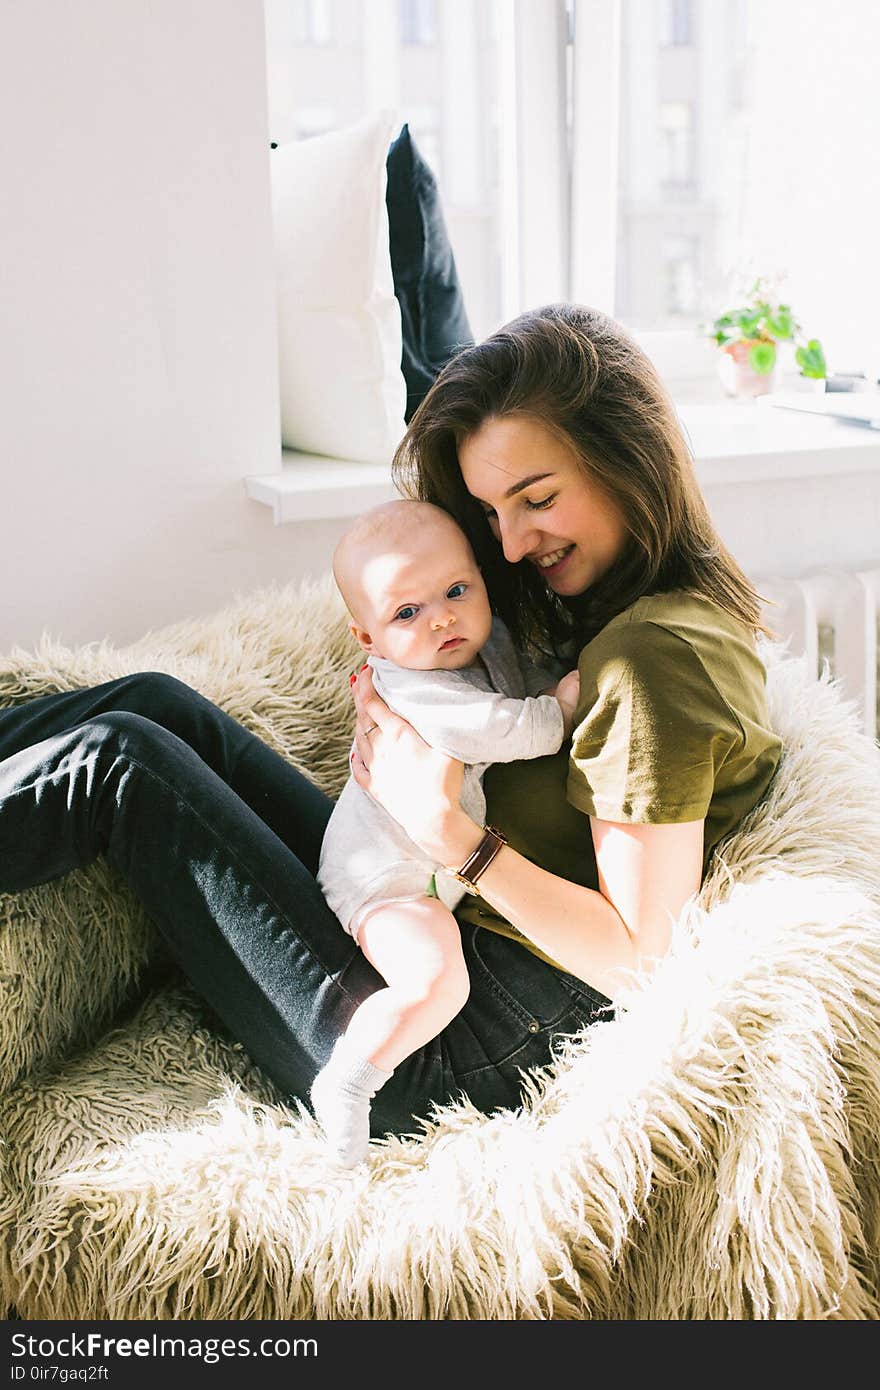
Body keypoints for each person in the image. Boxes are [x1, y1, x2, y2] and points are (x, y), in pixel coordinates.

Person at [0, 302, 783, 1159]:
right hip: (422, 913)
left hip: (449, 1040)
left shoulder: (648, 662)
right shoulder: (614, 606)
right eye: (492, 514)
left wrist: (451, 835)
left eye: (539, 498)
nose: (513, 546)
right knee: (160, 704)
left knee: (125, 764)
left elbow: (640, 960)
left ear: (629, 460)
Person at [311, 497, 581, 1165]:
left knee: (443, 967)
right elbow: (494, 726)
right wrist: (562, 710)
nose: (442, 618)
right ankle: (348, 1083)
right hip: (384, 881)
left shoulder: (474, 644)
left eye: (456, 590)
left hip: (430, 873)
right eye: (407, 612)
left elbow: (514, 674)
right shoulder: (410, 685)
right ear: (369, 640)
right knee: (437, 983)